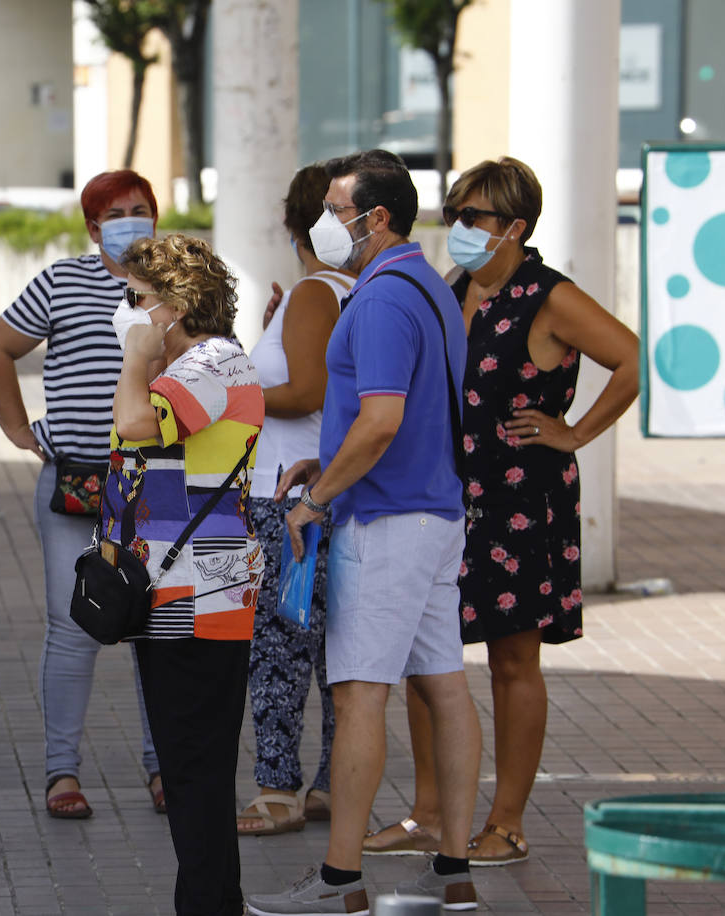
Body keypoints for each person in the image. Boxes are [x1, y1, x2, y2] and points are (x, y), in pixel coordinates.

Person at [364, 157, 639, 868]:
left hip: (522, 501)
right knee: (428, 659)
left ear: (515, 226)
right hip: (449, 496)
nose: (457, 227)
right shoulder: (457, 286)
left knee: (513, 662)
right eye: (453, 212)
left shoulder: (550, 296)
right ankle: (428, 813)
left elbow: (632, 357)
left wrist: (571, 431)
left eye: (474, 216)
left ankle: (507, 822)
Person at [247, 149, 482, 916]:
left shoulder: (379, 299)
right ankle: (453, 873)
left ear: (375, 217)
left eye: (337, 209)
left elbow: (380, 422)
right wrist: (331, 454)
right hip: (435, 513)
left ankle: (340, 881)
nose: (327, 223)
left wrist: (320, 493)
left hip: (386, 522)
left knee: (358, 697)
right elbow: (396, 414)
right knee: (444, 686)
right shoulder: (427, 283)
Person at [0, 169, 163, 819]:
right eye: (117, 213)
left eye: (142, 209)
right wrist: (16, 428)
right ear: (92, 227)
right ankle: (62, 772)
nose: (132, 220)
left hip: (156, 484)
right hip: (75, 483)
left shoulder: (178, 285)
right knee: (72, 626)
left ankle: (161, 767)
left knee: (154, 626)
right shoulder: (63, 281)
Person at [108, 234, 263, 915]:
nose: (129, 311)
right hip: (178, 590)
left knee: (193, 768)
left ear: (174, 304)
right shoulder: (195, 366)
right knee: (190, 765)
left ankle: (207, 906)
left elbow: (136, 423)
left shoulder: (215, 364)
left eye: (137, 298)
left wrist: (135, 357)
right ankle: (207, 901)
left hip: (199, 596)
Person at [237, 164, 355, 836]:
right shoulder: (358, 289)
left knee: (279, 648)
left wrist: (230, 395)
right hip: (333, 486)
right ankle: (331, 784)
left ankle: (277, 790)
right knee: (336, 651)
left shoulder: (316, 292)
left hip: (286, 493)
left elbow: (305, 391)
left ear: (295, 225)